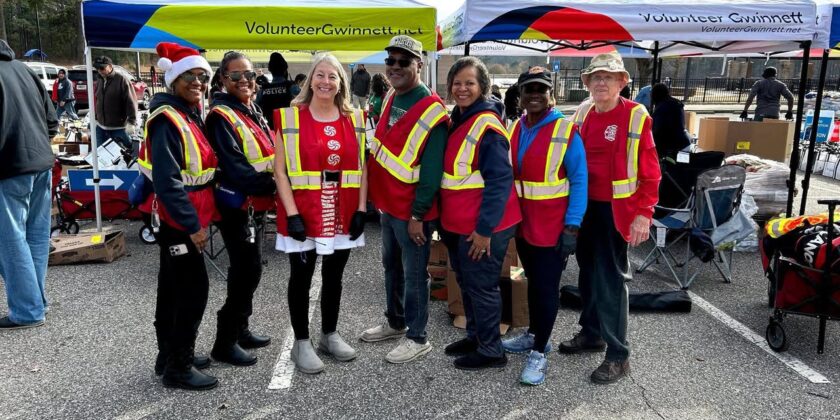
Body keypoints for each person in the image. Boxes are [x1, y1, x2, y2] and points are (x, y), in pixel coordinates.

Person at [566, 52, 660, 384]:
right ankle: (592, 334)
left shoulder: (635, 115)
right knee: (588, 276)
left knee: (610, 282)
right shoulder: (582, 112)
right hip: (585, 209)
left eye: (609, 77)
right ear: (587, 83)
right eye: (596, 77)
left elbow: (651, 171)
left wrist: (643, 214)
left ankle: (618, 355)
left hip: (616, 212)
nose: (602, 82)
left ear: (622, 82)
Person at [273, 53, 368, 374]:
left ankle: (329, 334)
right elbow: (281, 172)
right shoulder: (290, 118)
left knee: (334, 276)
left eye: (333, 76)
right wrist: (292, 213)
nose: (326, 82)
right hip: (303, 210)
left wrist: (362, 209)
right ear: (310, 79)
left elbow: (362, 166)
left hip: (341, 208)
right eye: (320, 75)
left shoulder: (354, 118)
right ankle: (302, 342)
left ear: (341, 83)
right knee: (301, 278)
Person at [360, 35, 450, 364]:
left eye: (403, 61)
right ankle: (395, 322)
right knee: (391, 267)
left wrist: (418, 215)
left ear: (418, 65)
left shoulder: (432, 110)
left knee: (414, 274)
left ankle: (417, 336)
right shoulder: (390, 96)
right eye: (391, 61)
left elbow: (431, 171)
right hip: (389, 205)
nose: (395, 67)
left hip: (411, 211)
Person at [137, 42, 218, 390]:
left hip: (183, 218)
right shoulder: (168, 118)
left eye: (202, 77)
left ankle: (167, 354)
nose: (197, 82)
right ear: (173, 80)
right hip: (179, 221)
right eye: (189, 77)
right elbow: (167, 180)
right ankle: (178, 366)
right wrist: (192, 226)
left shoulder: (186, 112)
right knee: (193, 289)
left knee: (171, 288)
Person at [501, 67, 588, 385]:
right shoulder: (516, 128)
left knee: (545, 289)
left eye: (541, 89)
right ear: (520, 96)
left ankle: (538, 353)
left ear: (551, 95)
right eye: (529, 90)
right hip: (524, 228)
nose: (535, 95)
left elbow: (579, 181)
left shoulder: (566, 131)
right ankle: (537, 335)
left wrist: (572, 227)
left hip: (554, 231)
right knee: (532, 284)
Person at [439, 56, 521, 370]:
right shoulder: (459, 118)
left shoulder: (486, 126)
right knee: (468, 281)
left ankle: (491, 350)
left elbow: (500, 181)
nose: (462, 89)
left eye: (470, 83)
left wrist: (485, 230)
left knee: (482, 285)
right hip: (461, 223)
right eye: (457, 83)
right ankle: (475, 335)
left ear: (482, 87)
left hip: (485, 226)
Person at [205, 51, 276, 367]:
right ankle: (225, 341)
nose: (245, 80)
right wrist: (277, 185)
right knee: (244, 272)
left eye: (250, 75)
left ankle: (241, 329)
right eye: (236, 76)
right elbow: (236, 169)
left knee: (251, 270)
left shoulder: (251, 110)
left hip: (255, 207)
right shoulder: (221, 116)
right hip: (237, 208)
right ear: (223, 79)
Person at [0, 39, 58, 330]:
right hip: (40, 163)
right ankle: (34, 303)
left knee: (10, 241)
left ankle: (28, 310)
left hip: (9, 168)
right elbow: (52, 120)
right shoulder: (25, 70)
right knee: (34, 236)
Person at [93, 55, 138, 155]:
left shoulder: (122, 80)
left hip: (118, 128)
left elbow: (131, 101)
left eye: (102, 68)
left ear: (110, 66)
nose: (99, 70)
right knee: (101, 155)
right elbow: (98, 100)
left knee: (125, 155)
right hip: (101, 127)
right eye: (97, 68)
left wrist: (132, 122)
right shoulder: (99, 80)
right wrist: (96, 117)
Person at [650, 83, 691, 160]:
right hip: (685, 144)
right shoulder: (675, 103)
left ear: (655, 95)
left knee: (670, 169)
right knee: (682, 168)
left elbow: (657, 130)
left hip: (673, 147)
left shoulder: (662, 108)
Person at [256, 52, 295, 131]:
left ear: (270, 70)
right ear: (285, 69)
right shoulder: (293, 88)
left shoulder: (263, 91)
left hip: (272, 132)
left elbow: (257, 112)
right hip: (292, 132)